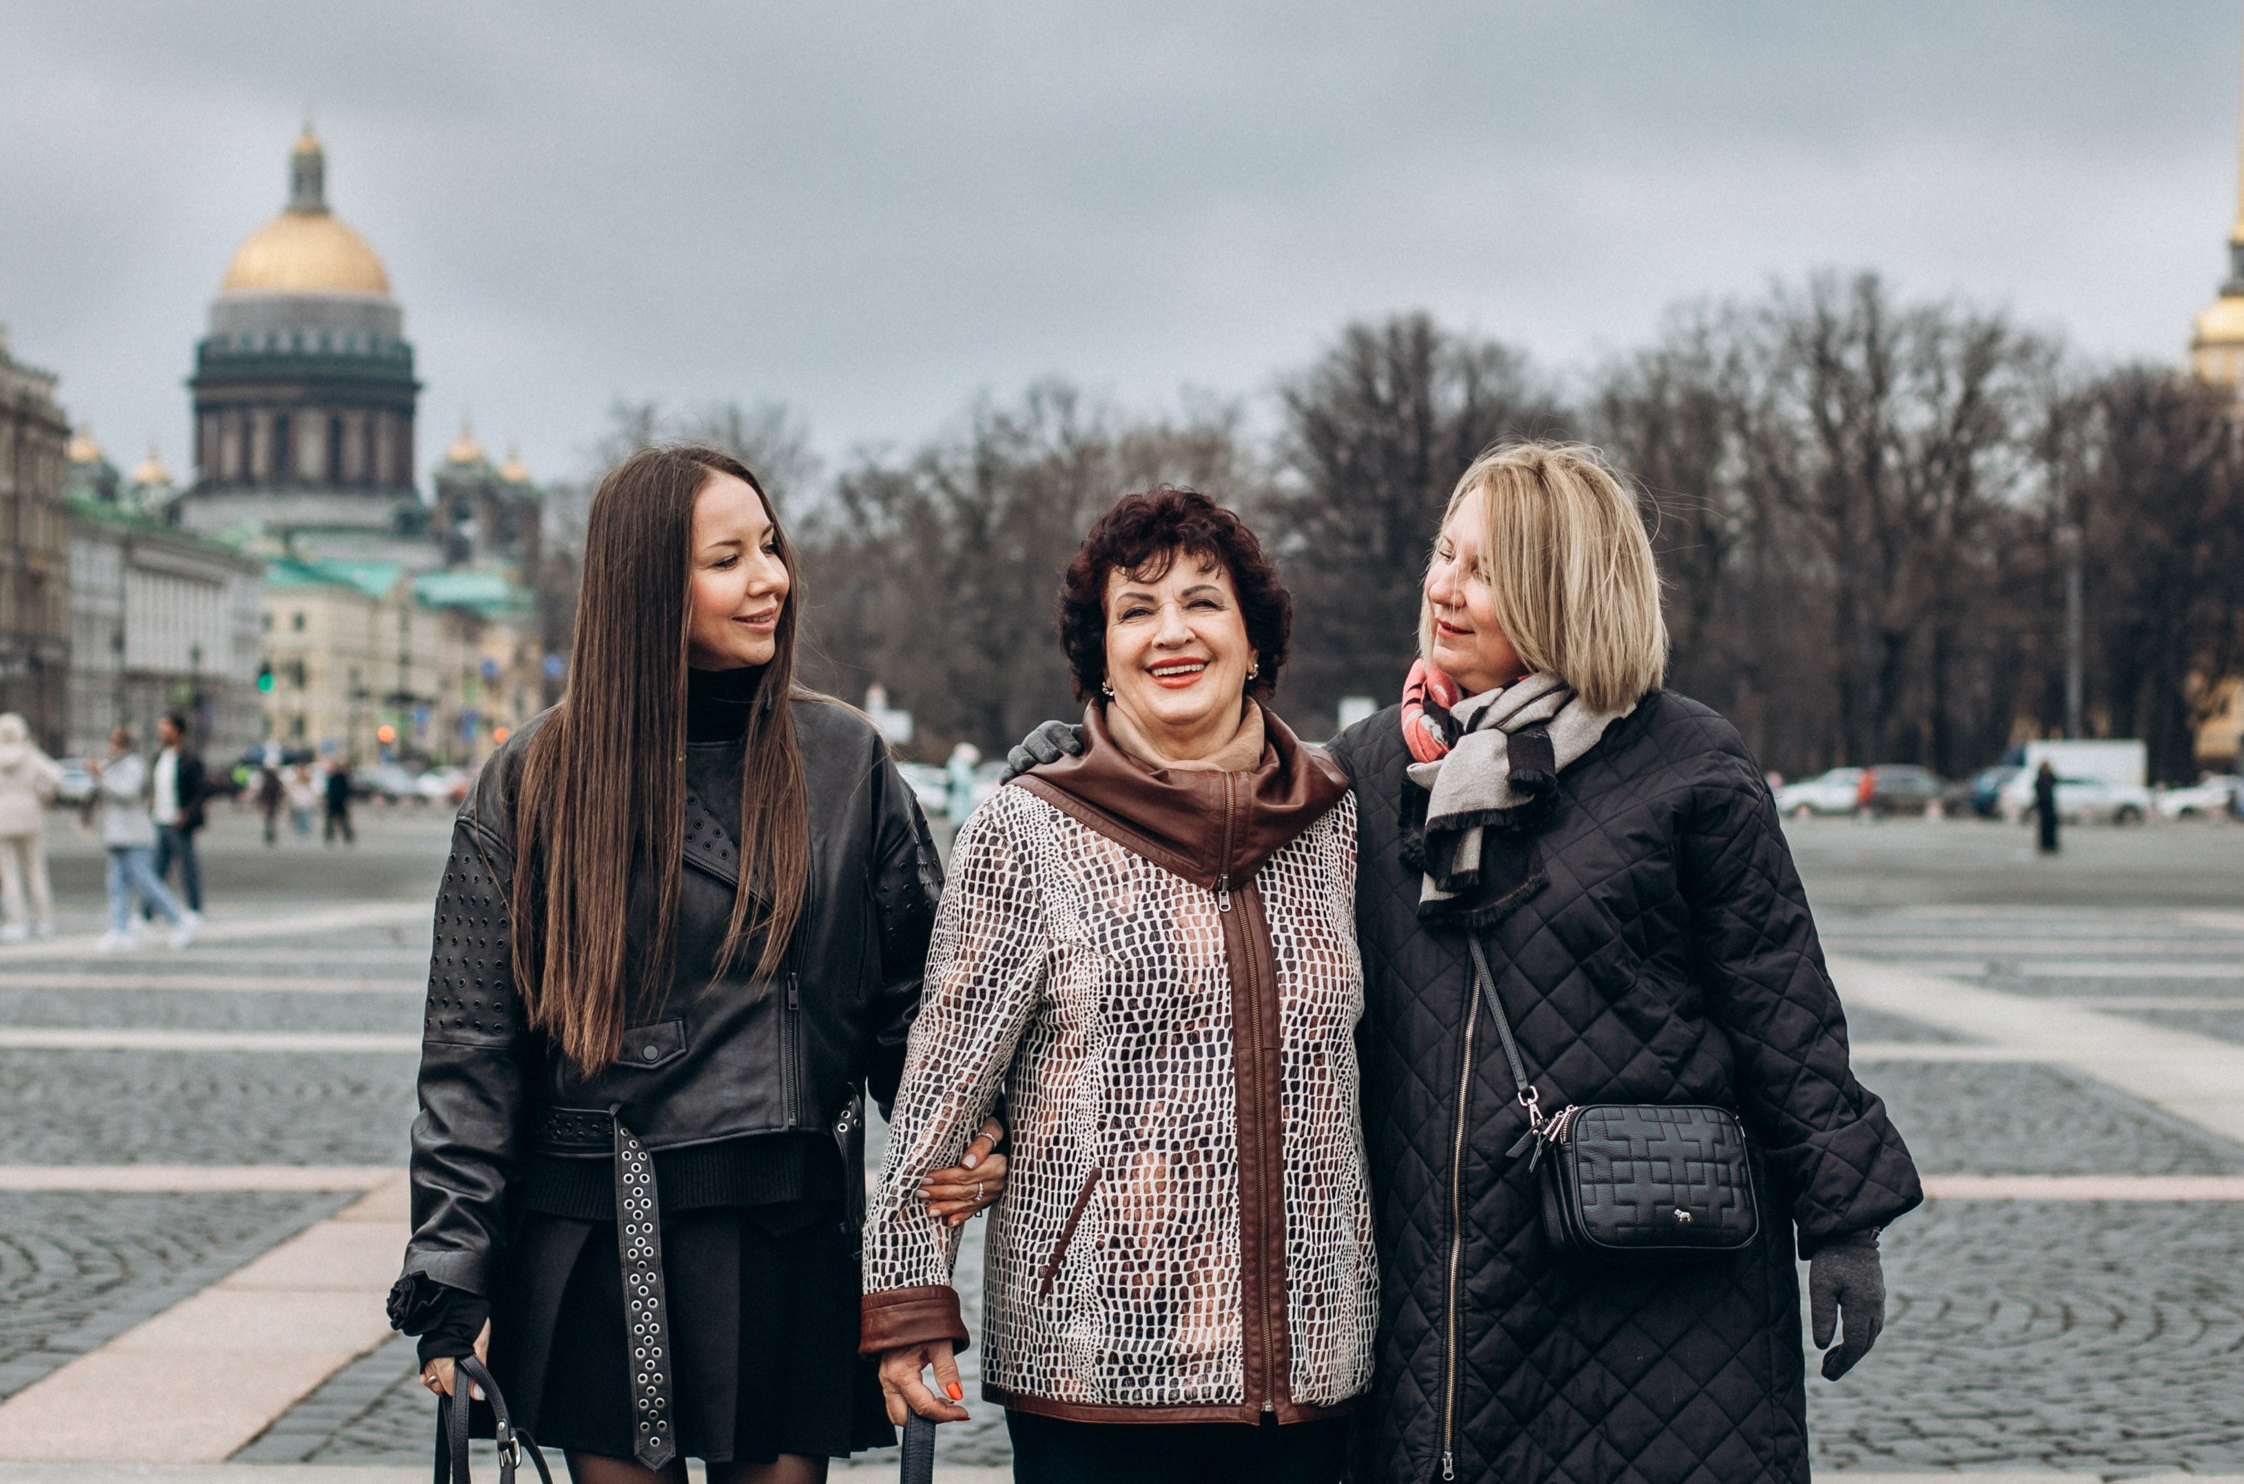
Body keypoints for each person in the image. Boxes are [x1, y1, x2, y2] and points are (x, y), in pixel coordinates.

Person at [1009, 442, 1919, 1483]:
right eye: (1445, 555)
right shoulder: (1368, 763)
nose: (1443, 585)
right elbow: (1214, 829)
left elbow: (1782, 1006)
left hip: (1646, 1270)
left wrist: (1844, 1220)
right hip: (1442, 1271)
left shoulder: (1689, 764)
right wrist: (1097, 761)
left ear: (1560, 587)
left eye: (1480, 568)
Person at [390, 445, 1004, 1484]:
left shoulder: (846, 760)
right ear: (646, 585)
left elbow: (921, 1013)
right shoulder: (534, 778)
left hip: (788, 1222)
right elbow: (471, 1057)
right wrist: (452, 1279)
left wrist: (970, 1137)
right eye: (729, 558)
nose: (771, 577)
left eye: (771, 546)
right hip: (597, 1229)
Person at [863, 487, 1374, 1484]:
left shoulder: (1337, 821)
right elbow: (939, 1094)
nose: (1170, 632)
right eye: (1135, 611)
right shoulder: (1030, 828)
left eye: (1202, 602)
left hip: (1316, 1367)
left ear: (1254, 638)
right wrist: (908, 1301)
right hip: (1098, 1369)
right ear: (1100, 652)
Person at [91, 725, 199, 951]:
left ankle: (178, 920)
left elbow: (126, 793)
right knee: (116, 884)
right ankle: (119, 930)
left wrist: (101, 777)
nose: (110, 747)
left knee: (146, 882)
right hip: (118, 836)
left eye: (115, 742)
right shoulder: (115, 765)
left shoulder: (134, 765)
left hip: (135, 835)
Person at [0, 713, 63, 942]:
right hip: (31, 814)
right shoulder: (30, 755)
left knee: (9, 873)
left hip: (3, 817)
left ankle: (17, 923)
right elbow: (56, 776)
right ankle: (44, 920)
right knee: (35, 869)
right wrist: (43, 796)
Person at [150, 714, 206, 919]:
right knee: (155, 870)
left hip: (179, 822)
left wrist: (187, 814)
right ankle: (147, 914)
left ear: (178, 731)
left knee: (188, 868)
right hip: (160, 820)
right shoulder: (159, 757)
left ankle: (194, 910)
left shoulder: (190, 759)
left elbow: (200, 792)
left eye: (165, 727)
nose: (161, 732)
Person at [321, 757, 355, 845]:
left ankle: (332, 836)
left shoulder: (338, 778)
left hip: (335, 801)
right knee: (340, 820)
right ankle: (343, 836)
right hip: (337, 801)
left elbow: (330, 790)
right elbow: (347, 790)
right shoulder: (342, 778)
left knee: (339, 820)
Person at [256, 759, 286, 844]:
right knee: (271, 820)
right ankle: (271, 835)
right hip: (273, 803)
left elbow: (263, 794)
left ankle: (269, 835)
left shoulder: (267, 782)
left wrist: (261, 802)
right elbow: (281, 793)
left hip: (270, 803)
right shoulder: (275, 781)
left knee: (269, 820)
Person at [285, 759, 317, 838]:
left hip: (300, 801)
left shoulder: (298, 778)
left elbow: (292, 790)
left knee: (301, 817)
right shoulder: (307, 778)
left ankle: (301, 831)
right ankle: (304, 831)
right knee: (304, 816)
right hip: (304, 801)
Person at [2034, 758, 2060, 855]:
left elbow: (2056, 781)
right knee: (2044, 827)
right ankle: (2045, 845)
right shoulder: (2040, 779)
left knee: (2051, 826)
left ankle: (2051, 845)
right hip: (2043, 806)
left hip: (2049, 805)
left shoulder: (2049, 777)